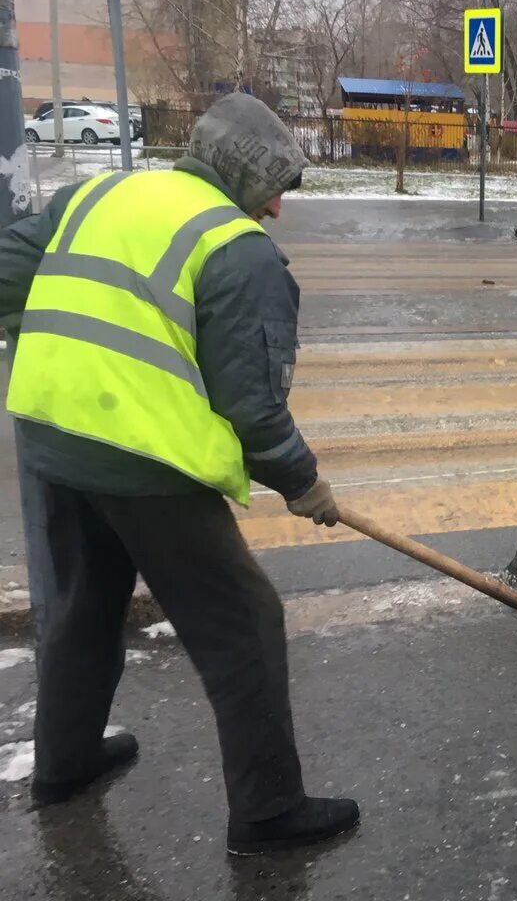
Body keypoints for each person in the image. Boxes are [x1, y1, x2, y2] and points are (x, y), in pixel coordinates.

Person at [0, 93, 359, 856]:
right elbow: (253, 411)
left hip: (48, 433)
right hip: (146, 460)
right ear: (240, 175)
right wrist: (304, 484)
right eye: (275, 190)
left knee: (83, 607)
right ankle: (268, 812)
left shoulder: (102, 192)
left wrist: (57, 350)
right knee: (244, 624)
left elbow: (5, 275)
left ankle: (63, 765)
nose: (278, 211)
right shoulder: (237, 247)